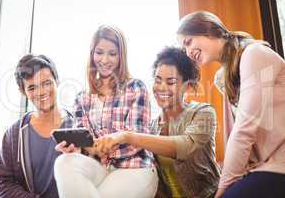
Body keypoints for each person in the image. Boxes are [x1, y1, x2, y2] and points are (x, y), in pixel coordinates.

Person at [177, 11, 285, 198]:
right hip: (263, 166)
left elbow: (244, 130)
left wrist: (223, 188)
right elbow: (233, 131)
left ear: (207, 30)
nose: (188, 53)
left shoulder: (254, 54)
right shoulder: (223, 77)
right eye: (184, 49)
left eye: (188, 42)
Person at [94, 47, 221, 198]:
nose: (162, 88)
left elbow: (185, 146)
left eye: (171, 82)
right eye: (158, 80)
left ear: (187, 86)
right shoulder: (151, 127)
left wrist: (127, 136)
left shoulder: (203, 113)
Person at [54, 25, 158, 198]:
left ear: (121, 56)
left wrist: (98, 149)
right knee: (63, 162)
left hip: (135, 167)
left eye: (112, 53)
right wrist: (78, 149)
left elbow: (137, 140)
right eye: (99, 52)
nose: (104, 59)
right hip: (102, 167)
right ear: (92, 54)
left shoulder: (135, 88)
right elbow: (85, 141)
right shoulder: (82, 98)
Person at [0, 54, 74, 198]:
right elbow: (4, 184)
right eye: (32, 87)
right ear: (22, 92)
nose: (41, 92)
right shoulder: (14, 134)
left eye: (47, 83)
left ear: (57, 80)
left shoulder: (79, 124)